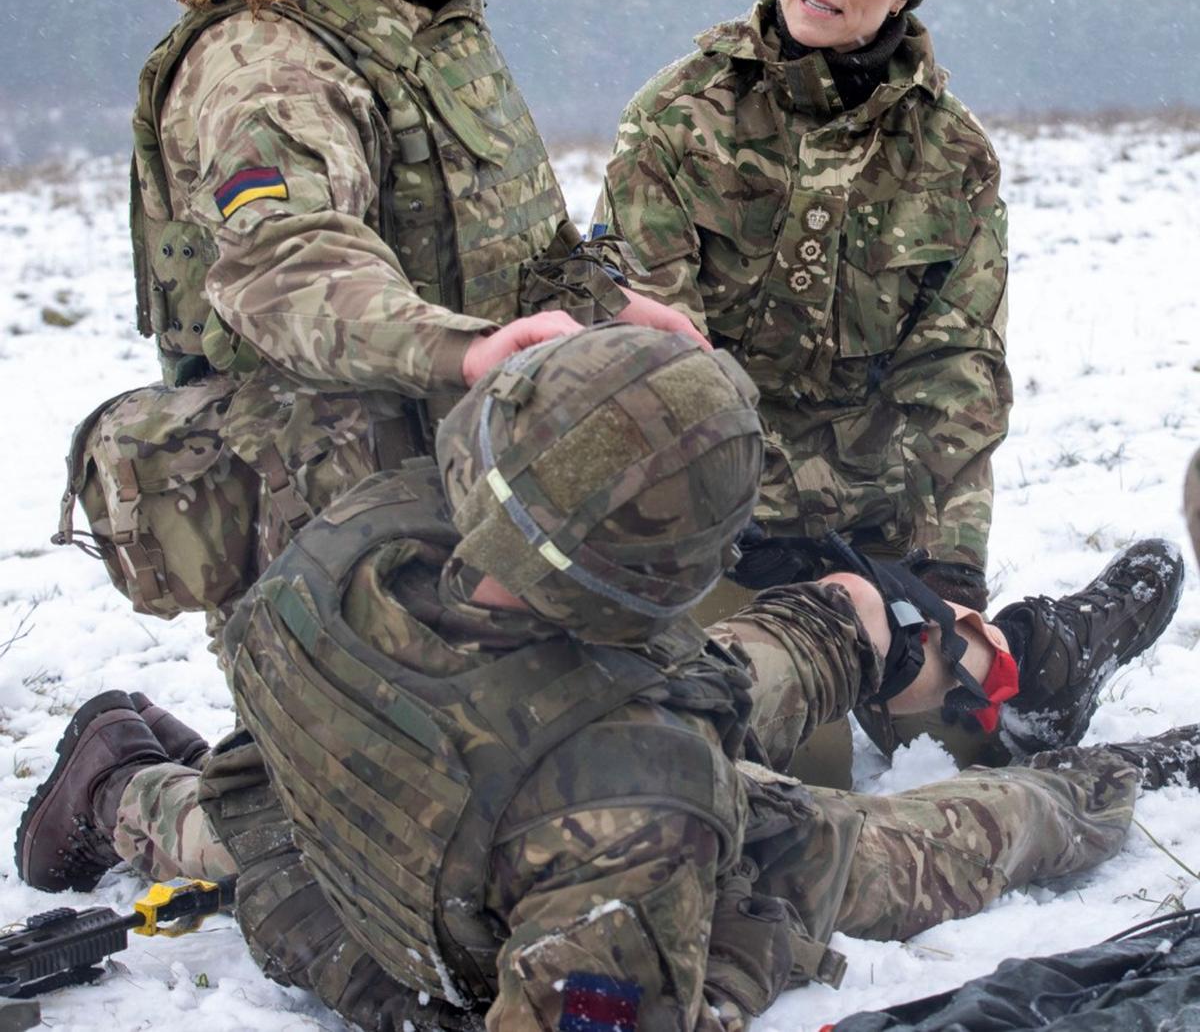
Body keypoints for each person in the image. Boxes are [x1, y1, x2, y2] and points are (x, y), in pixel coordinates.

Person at [17, 326, 1190, 1032]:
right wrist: (740, 956)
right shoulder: (642, 804)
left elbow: (598, 674)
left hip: (315, 823)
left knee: (828, 627)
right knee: (950, 834)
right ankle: (1101, 770)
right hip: (495, 895)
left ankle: (123, 784)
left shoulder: (376, 524)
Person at [61, 0, 700, 630]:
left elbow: (495, 239)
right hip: (341, 560)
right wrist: (464, 349)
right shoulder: (266, 64)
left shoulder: (417, 23)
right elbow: (292, 267)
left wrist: (604, 306)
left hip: (472, 510)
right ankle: (125, 774)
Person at [595, 0, 1008, 615]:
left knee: (964, 719)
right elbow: (656, 356)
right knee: (781, 727)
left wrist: (949, 569)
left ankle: (1051, 655)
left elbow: (957, 375)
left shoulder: (954, 157)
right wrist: (754, 518)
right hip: (706, 524)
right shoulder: (679, 119)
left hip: (873, 537)